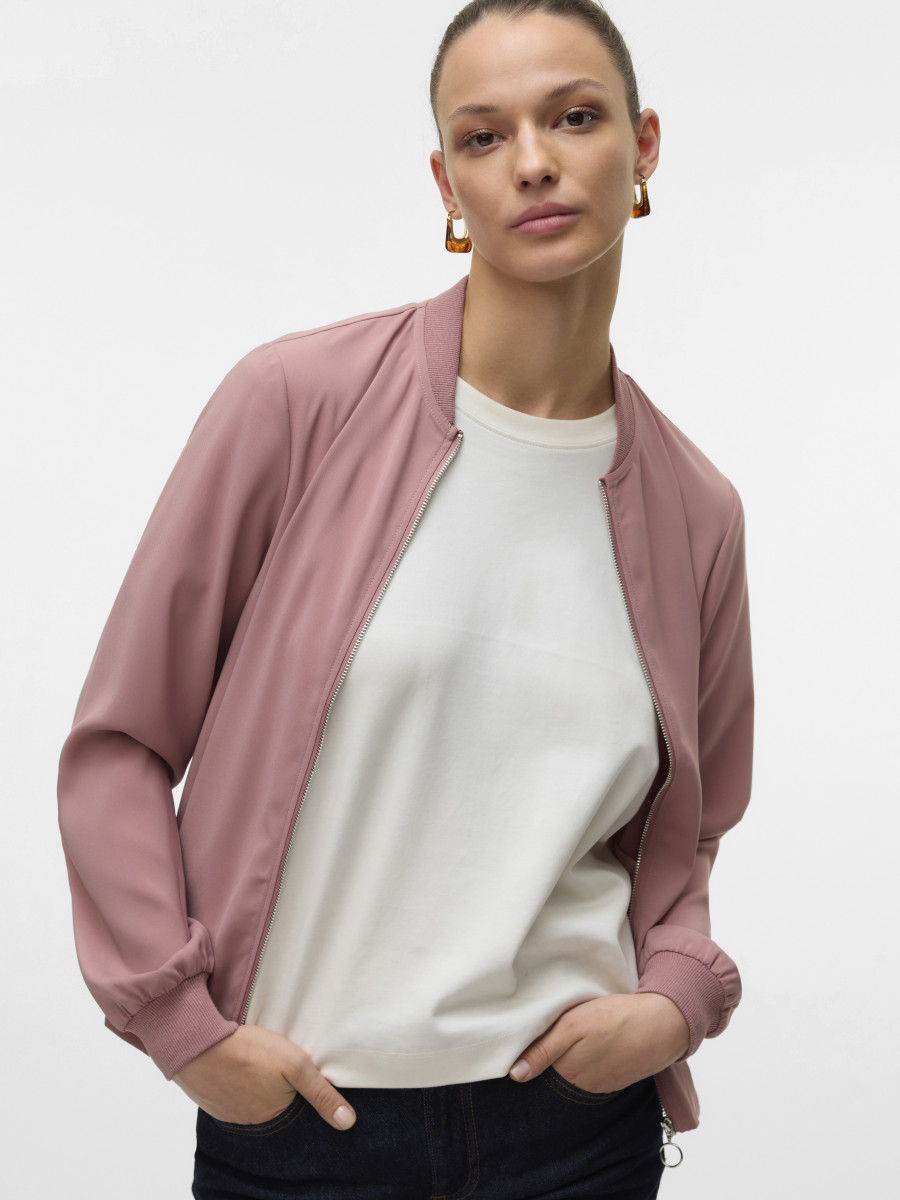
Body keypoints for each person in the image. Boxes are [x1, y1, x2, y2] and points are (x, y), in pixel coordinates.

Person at [56, 2, 754, 1196]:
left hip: (575, 1136)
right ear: (447, 183)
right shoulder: (296, 404)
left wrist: (675, 998)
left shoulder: (697, 510)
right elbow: (120, 745)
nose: (531, 160)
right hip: (304, 1130)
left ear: (642, 148)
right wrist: (185, 1029)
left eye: (573, 117)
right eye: (484, 136)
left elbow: (686, 828)